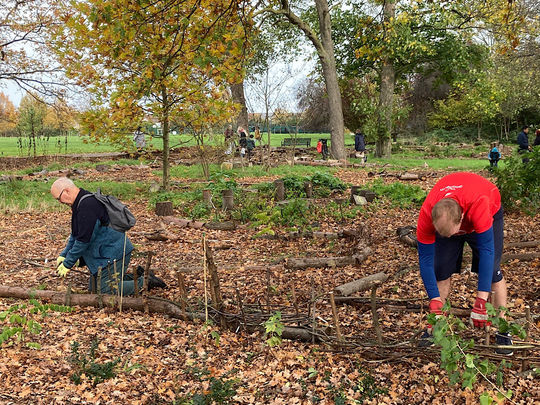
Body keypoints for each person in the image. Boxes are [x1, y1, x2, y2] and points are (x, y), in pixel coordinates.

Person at [416, 172, 512, 354]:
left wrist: (481, 301)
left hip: (485, 210)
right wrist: (434, 300)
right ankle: (436, 324)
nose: (449, 237)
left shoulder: (480, 204)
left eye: (452, 233)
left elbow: (487, 252)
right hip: (449, 219)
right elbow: (426, 260)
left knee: (492, 271)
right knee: (440, 270)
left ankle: (503, 328)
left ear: (461, 219)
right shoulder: (427, 214)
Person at [51, 177, 165, 295]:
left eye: (59, 198)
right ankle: (139, 275)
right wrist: (64, 255)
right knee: (95, 289)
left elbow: (84, 240)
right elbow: (75, 234)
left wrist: (68, 263)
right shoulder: (79, 204)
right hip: (103, 254)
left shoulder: (87, 206)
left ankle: (146, 281)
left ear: (67, 191)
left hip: (113, 253)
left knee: (106, 291)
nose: (60, 202)